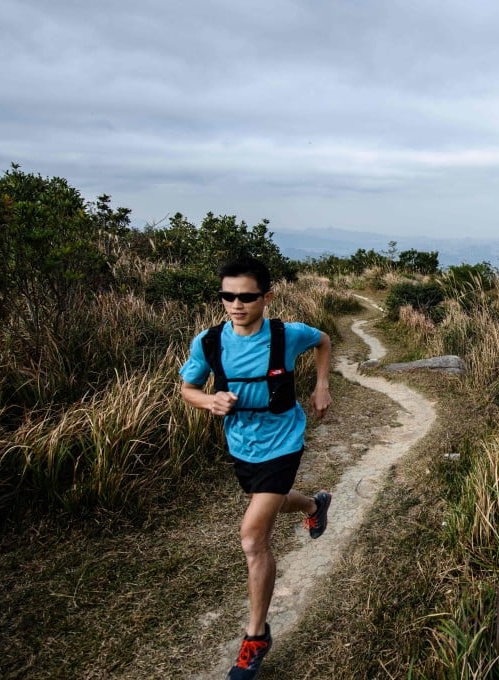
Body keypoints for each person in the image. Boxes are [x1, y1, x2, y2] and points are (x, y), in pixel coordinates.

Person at [179, 255, 333, 680]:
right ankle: (314, 506)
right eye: (228, 296)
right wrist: (210, 401)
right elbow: (187, 388)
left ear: (266, 297)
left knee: (252, 538)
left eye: (246, 296)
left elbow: (323, 342)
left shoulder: (288, 335)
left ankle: (256, 636)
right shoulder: (208, 343)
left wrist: (321, 385)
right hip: (241, 444)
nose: (236, 304)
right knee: (269, 503)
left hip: (283, 441)